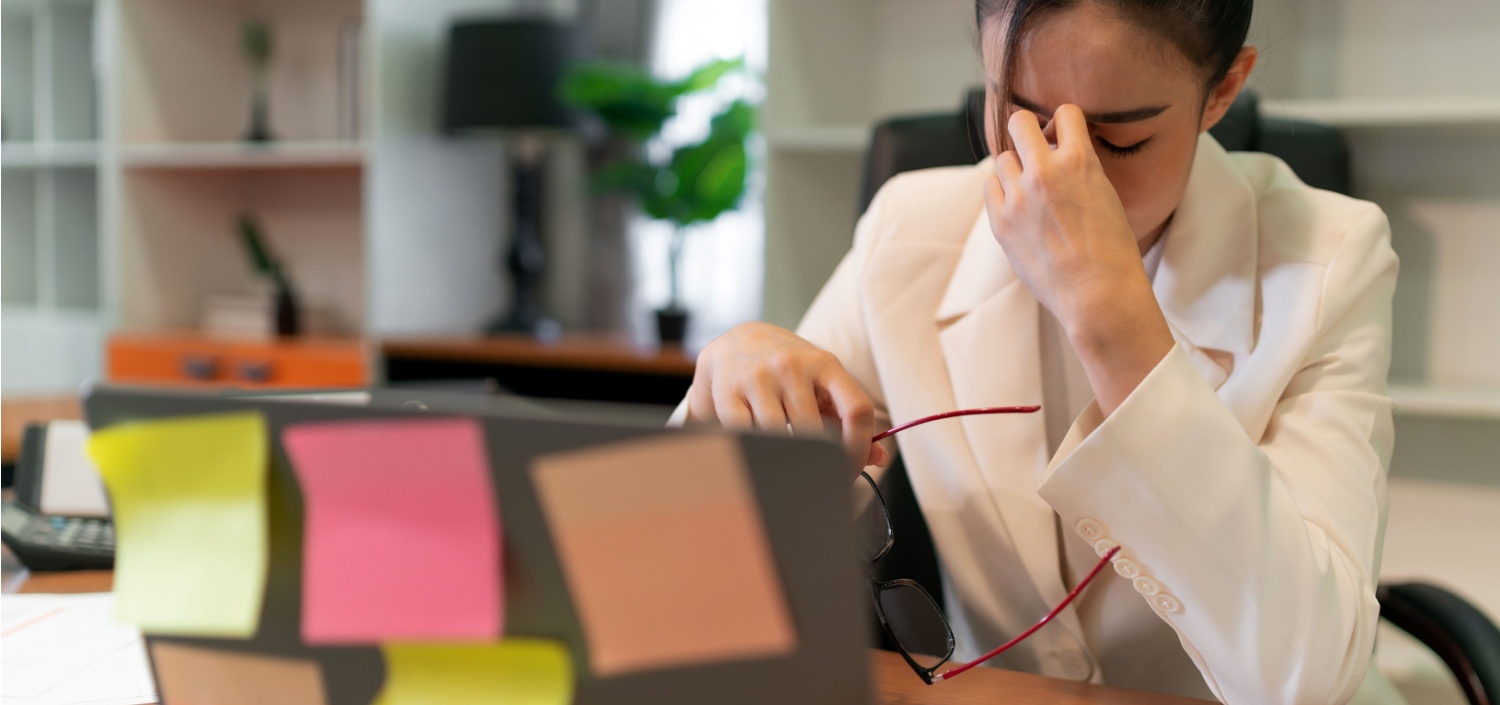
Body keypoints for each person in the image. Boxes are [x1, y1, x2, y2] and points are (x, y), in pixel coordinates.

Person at [674, 0, 1405, 702]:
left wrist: (1110, 317)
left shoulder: (1331, 256)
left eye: (1120, 140)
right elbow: (665, 567)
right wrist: (736, 388)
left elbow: (1307, 678)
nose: (1062, 178)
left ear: (1223, 91)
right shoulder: (912, 229)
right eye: (1019, 119)